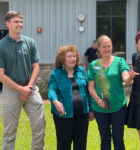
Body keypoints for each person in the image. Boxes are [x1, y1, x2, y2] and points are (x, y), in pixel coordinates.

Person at [0, 11, 45, 150]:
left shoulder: (30, 42)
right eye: (16, 22)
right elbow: (1, 75)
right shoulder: (1, 45)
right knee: (9, 132)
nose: (20, 25)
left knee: (40, 127)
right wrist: (21, 90)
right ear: (8, 24)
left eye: (21, 22)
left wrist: (28, 88)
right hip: (11, 91)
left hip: (30, 88)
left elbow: (36, 67)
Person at [88, 35, 133, 150]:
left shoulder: (119, 61)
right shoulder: (94, 65)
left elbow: (125, 78)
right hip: (100, 108)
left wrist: (130, 77)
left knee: (118, 139)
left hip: (118, 107)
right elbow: (91, 87)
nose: (107, 49)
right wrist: (97, 100)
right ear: (98, 48)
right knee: (105, 139)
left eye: (109, 46)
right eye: (104, 47)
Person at [48, 44, 93, 150]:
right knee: (64, 144)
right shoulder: (56, 73)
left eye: (74, 56)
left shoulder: (81, 71)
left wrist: (91, 109)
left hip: (82, 114)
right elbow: (51, 90)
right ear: (62, 59)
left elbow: (88, 91)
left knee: (81, 144)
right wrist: (55, 101)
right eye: (69, 56)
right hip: (63, 115)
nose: (73, 59)